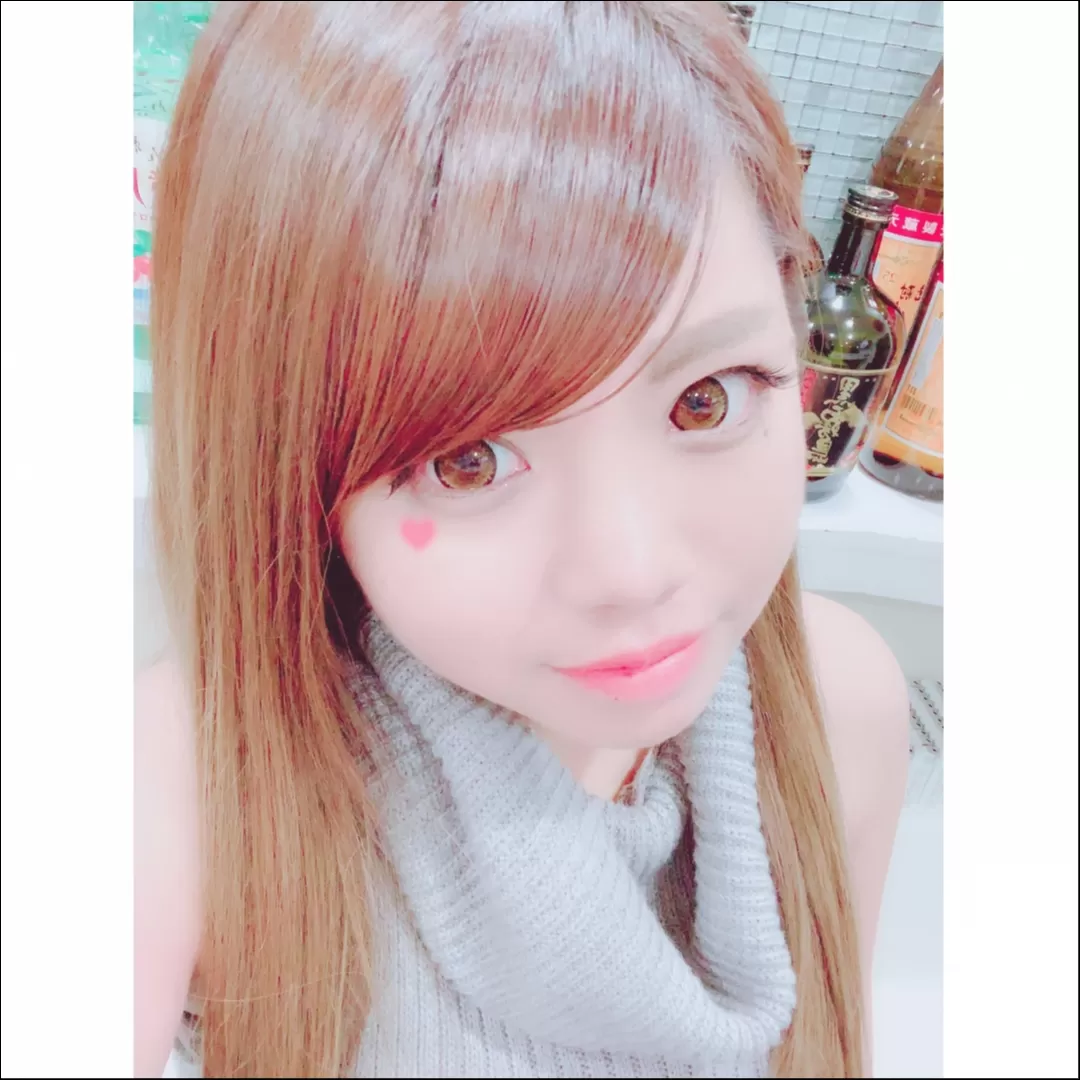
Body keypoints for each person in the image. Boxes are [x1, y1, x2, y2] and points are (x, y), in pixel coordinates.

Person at [135, 3, 909, 1077]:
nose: (632, 571)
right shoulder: (181, 786)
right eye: (469, 462)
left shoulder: (838, 705)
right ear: (292, 466)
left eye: (706, 399)